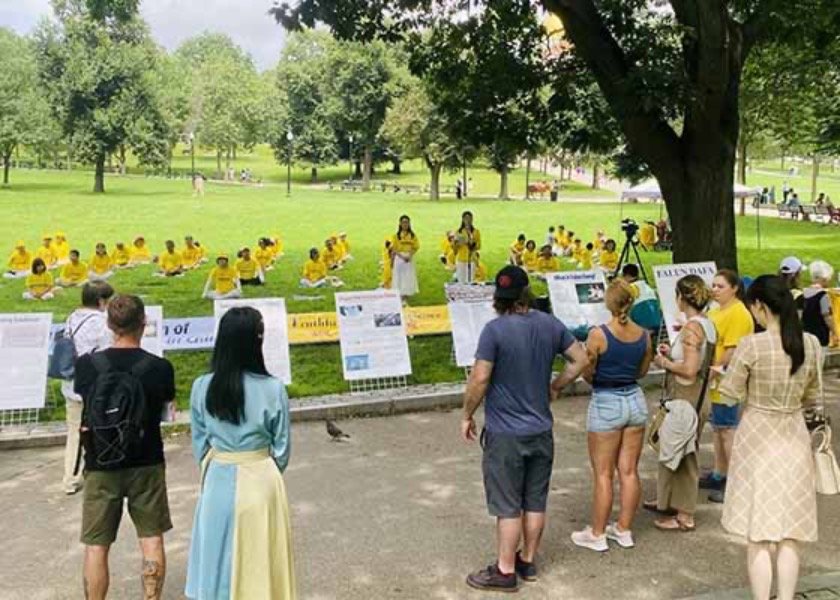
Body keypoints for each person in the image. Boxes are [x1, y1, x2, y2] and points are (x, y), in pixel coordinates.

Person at [462, 266, 588, 593]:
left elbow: (479, 379)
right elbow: (580, 358)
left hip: (506, 433)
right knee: (535, 499)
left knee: (507, 504)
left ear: (499, 299)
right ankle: (528, 560)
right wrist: (556, 385)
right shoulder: (550, 324)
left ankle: (505, 570)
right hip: (540, 429)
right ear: (526, 292)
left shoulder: (494, 331)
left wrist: (467, 414)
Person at [719, 275, 821, 600]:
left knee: (759, 532)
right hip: (793, 435)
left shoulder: (753, 345)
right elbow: (812, 398)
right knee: (790, 531)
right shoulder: (811, 344)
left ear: (760, 306)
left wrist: (723, 376)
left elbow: (730, 394)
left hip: (757, 438)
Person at [186, 307, 296, 600]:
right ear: (256, 341)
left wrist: (215, 462)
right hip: (261, 476)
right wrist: (266, 466)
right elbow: (282, 446)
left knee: (217, 557)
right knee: (262, 557)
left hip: (218, 475)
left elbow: (199, 440)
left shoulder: (201, 387)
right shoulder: (273, 388)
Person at [74, 294, 176, 600]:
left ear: (109, 324)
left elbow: (86, 401)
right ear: (143, 323)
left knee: (96, 544)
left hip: (100, 460)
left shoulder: (87, 366)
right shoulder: (160, 367)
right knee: (151, 538)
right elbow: (166, 409)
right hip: (147, 460)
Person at [572, 280, 652, 552]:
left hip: (607, 401)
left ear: (608, 303)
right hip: (635, 399)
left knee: (603, 474)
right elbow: (642, 371)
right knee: (628, 470)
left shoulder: (598, 334)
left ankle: (597, 533)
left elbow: (587, 368)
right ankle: (624, 528)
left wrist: (591, 376)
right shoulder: (644, 334)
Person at [643, 275, 716, 531]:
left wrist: (664, 362)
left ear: (681, 298)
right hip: (696, 397)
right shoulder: (705, 324)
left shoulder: (692, 329)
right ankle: (667, 500)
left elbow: (689, 369)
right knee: (674, 449)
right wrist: (670, 353)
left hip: (686, 397)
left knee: (684, 454)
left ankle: (684, 514)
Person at [703, 270, 755, 504]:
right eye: (713, 285)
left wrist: (714, 368)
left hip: (727, 381)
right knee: (718, 428)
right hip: (714, 380)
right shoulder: (715, 311)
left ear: (734, 288)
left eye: (720, 286)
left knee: (727, 430)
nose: (714, 289)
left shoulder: (739, 313)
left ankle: (736, 482)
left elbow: (732, 349)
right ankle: (719, 473)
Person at [60, 281, 115, 495]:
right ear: (101, 301)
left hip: (72, 383)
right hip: (96, 386)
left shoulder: (72, 318)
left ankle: (70, 478)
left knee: (74, 431)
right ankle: (100, 472)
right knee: (102, 428)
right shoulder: (102, 323)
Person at [801, 261, 836, 356]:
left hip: (805, 336)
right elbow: (827, 317)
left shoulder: (803, 293)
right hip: (820, 338)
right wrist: (835, 332)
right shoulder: (823, 296)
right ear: (823, 279)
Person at [390, 215, 420, 300]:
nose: (405, 224)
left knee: (407, 277)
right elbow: (394, 249)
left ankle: (406, 296)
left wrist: (410, 255)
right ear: (400, 223)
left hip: (409, 258)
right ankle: (399, 296)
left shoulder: (412, 236)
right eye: (403, 222)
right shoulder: (396, 236)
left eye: (406, 222)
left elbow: (415, 247)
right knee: (399, 278)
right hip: (399, 258)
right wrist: (400, 257)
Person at [454, 211, 481, 283]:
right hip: (461, 259)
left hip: (471, 259)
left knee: (471, 280)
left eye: (470, 218)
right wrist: (457, 243)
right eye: (466, 218)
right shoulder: (458, 231)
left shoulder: (476, 231)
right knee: (461, 280)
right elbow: (454, 249)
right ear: (463, 219)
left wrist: (471, 242)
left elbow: (478, 246)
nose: (468, 221)